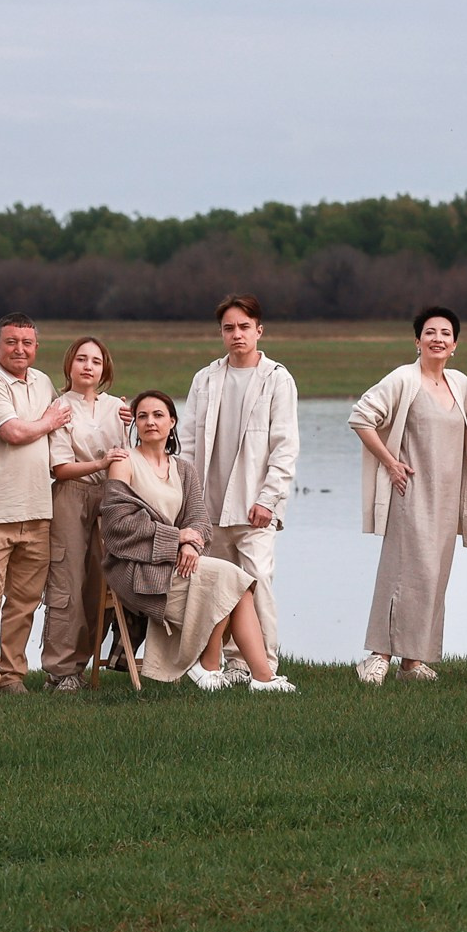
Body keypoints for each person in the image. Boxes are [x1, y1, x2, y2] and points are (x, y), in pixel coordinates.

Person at [99, 390, 294, 693]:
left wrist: (190, 545)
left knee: (235, 583)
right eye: (143, 416)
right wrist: (176, 538)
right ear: (135, 424)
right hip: (137, 567)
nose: (150, 421)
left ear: (172, 422)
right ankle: (219, 668)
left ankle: (258, 677)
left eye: (158, 415)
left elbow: (200, 522)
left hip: (178, 564)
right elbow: (118, 525)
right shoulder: (124, 463)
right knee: (229, 579)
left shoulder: (183, 469)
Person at [348, 305, 467, 685]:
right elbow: (361, 416)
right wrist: (390, 462)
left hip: (447, 497)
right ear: (417, 340)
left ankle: (412, 661)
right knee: (402, 573)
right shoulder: (403, 379)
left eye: (445, 334)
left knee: (433, 576)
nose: (437, 339)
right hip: (411, 492)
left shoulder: (460, 384)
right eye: (430, 332)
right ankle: (378, 655)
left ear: (455, 344)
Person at [177, 293, 300, 679]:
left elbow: (285, 447)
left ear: (259, 331)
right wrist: (186, 500)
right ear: (221, 333)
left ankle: (265, 665)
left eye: (244, 327)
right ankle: (232, 664)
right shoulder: (206, 378)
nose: (237, 334)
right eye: (229, 328)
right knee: (219, 588)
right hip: (208, 508)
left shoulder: (277, 379)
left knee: (258, 582)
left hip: (254, 508)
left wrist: (268, 498)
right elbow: (187, 443)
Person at [0, 313, 69, 697]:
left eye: (27, 342)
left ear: (36, 347)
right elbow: (15, 432)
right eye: (11, 342)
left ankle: (12, 676)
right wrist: (49, 421)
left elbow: (68, 425)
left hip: (37, 510)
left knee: (24, 601)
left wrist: (120, 416)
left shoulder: (43, 382)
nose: (20, 349)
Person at [42, 336, 132, 693]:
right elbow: (60, 468)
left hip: (109, 495)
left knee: (100, 582)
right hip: (70, 495)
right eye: (81, 359)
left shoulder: (116, 408)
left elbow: (130, 455)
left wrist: (135, 418)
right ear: (69, 365)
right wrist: (100, 463)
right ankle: (60, 669)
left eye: (96, 361)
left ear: (104, 368)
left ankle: (84, 663)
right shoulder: (59, 406)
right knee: (68, 581)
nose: (88, 366)